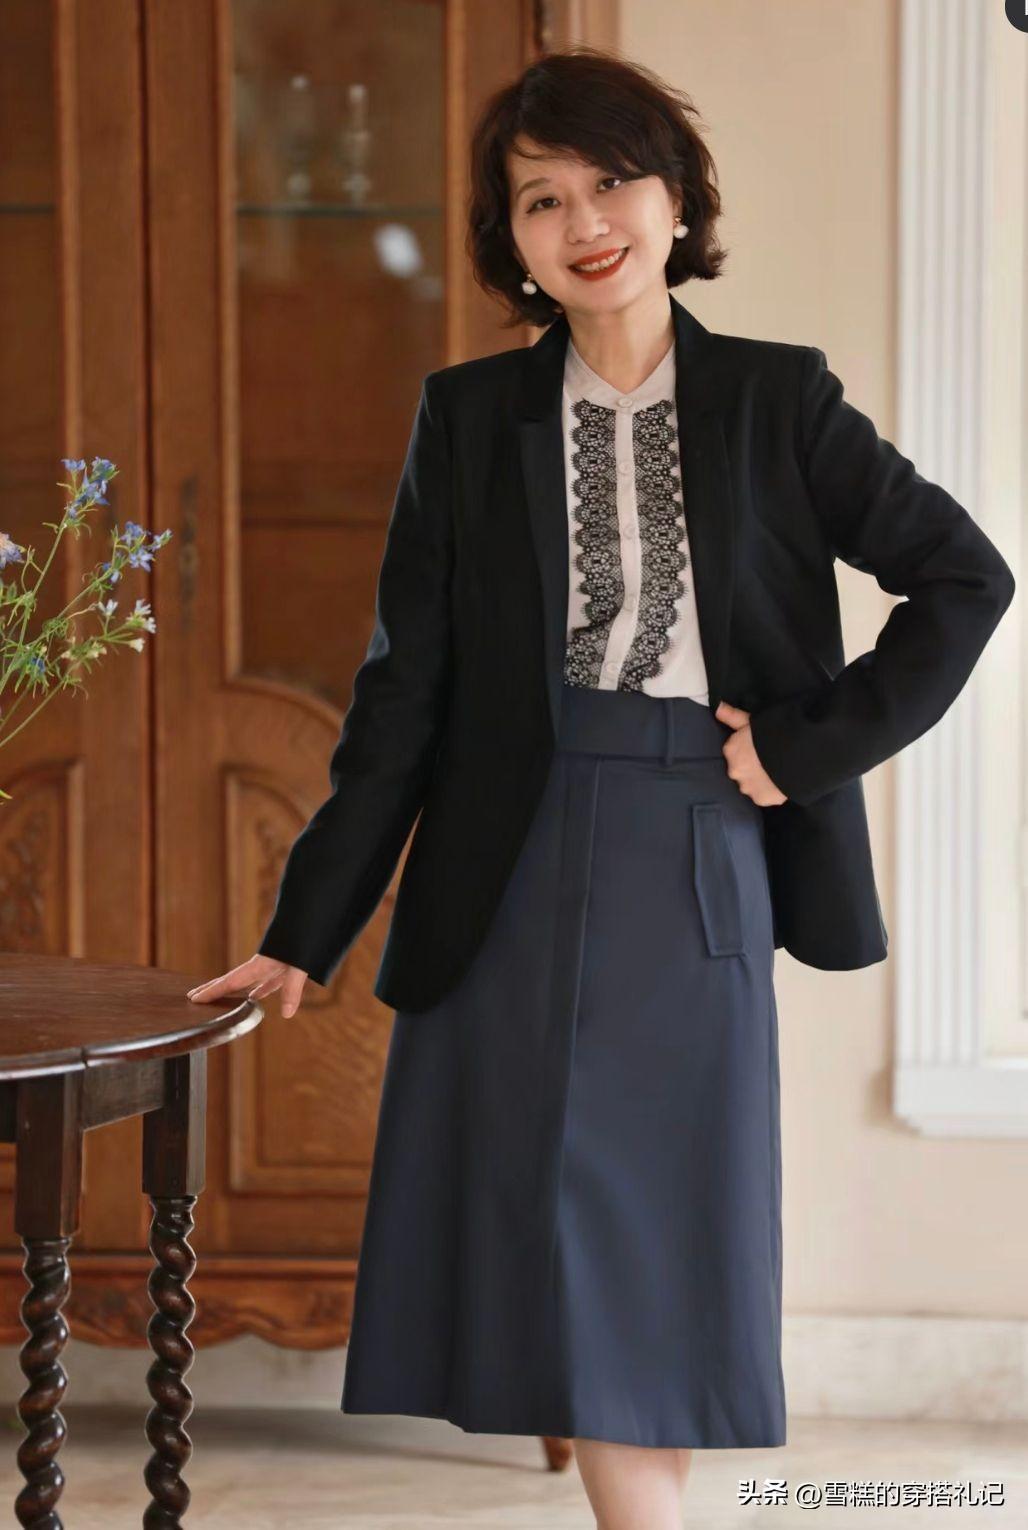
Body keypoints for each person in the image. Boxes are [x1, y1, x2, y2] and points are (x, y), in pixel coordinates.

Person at [186, 46, 1015, 1530]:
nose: (585, 222)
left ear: (677, 199)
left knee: (660, 1224)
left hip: (696, 843)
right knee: (529, 1213)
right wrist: (308, 924)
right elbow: (405, 696)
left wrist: (806, 744)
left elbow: (967, 577)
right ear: (510, 241)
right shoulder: (467, 420)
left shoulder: (777, 398)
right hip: (506, 857)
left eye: (614, 182)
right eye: (541, 198)